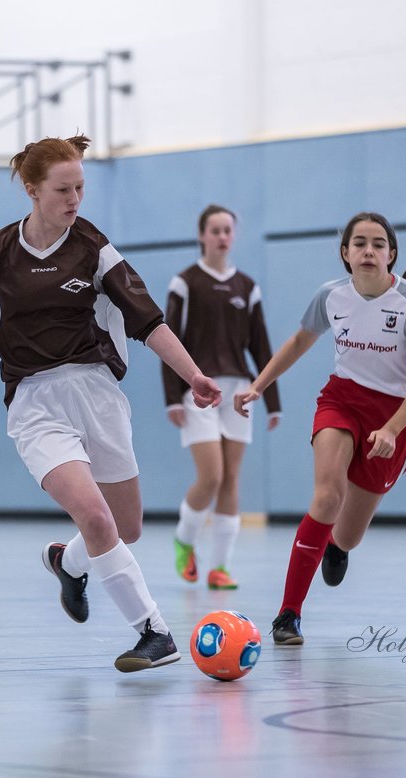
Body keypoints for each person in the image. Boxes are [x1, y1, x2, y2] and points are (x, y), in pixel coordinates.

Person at [0, 134, 222, 672]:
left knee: (124, 527)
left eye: (81, 187)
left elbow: (148, 320)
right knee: (95, 516)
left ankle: (68, 563)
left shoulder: (95, 247)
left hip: (99, 395)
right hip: (35, 402)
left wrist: (194, 375)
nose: (75, 199)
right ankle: (154, 632)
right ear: (33, 191)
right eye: (63, 189)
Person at [233, 212, 406, 645]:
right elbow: (299, 342)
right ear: (345, 254)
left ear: (391, 254)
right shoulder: (331, 296)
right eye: (359, 242)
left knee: (348, 534)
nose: (368, 250)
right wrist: (258, 386)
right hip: (341, 400)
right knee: (326, 496)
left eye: (378, 243)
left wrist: (392, 429)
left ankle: (337, 547)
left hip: (391, 415)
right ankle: (288, 615)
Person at [163, 204, 280, 590]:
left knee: (232, 479)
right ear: (202, 235)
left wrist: (271, 398)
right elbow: (169, 341)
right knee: (210, 476)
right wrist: (173, 398)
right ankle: (184, 539)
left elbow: (262, 346)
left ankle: (221, 567)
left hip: (239, 393)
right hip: (199, 389)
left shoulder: (248, 287)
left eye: (228, 229)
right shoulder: (184, 283)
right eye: (215, 230)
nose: (222, 236)